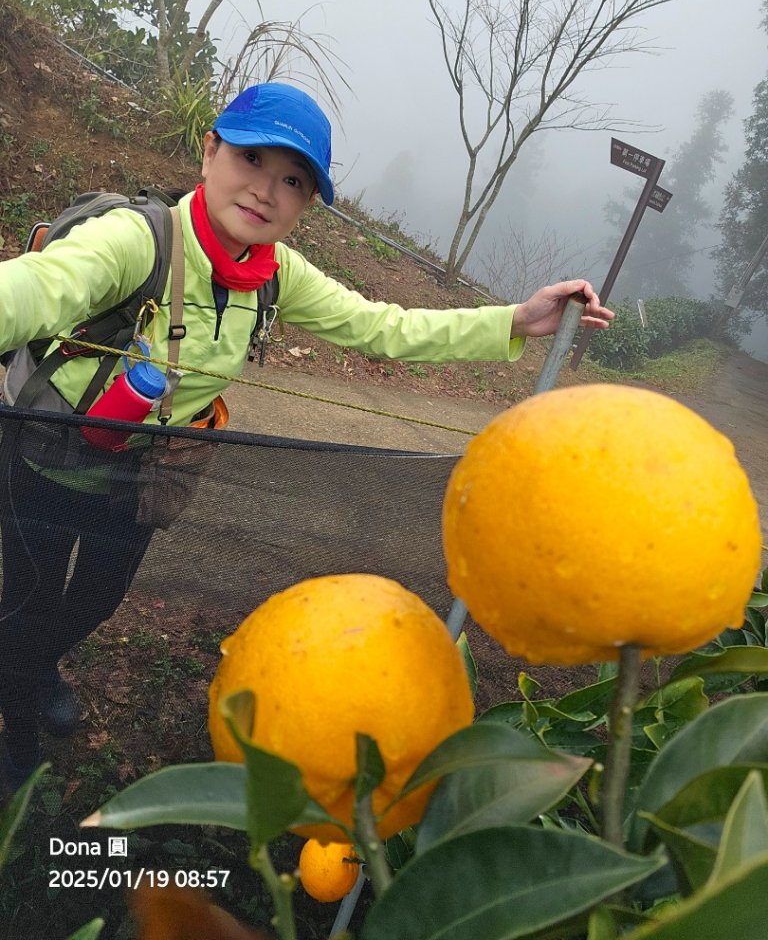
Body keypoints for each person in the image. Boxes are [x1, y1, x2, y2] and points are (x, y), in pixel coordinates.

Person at [0, 81, 614, 795]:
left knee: (97, 601)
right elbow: (37, 290)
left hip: (140, 474)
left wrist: (515, 320)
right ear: (210, 151)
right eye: (252, 157)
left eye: (293, 180)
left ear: (306, 203)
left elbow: (384, 326)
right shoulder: (139, 241)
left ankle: (32, 664)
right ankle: (16, 734)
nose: (266, 189)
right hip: (44, 461)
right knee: (31, 603)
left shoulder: (273, 275)